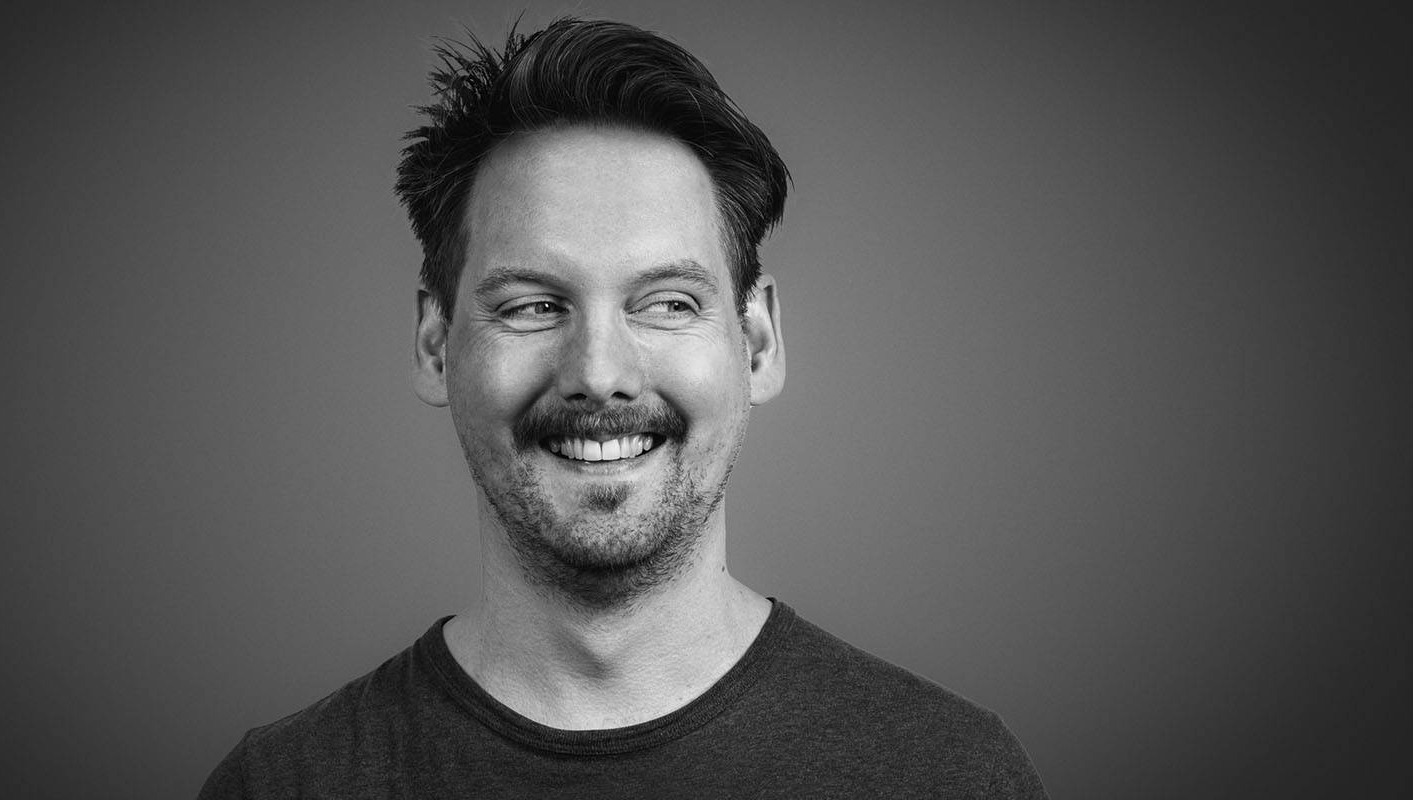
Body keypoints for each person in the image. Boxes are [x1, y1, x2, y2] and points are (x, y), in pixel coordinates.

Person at [199, 17, 1047, 798]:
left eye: (669, 303)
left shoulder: (949, 773)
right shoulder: (281, 784)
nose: (599, 374)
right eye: (532, 305)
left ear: (756, 344)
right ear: (434, 342)